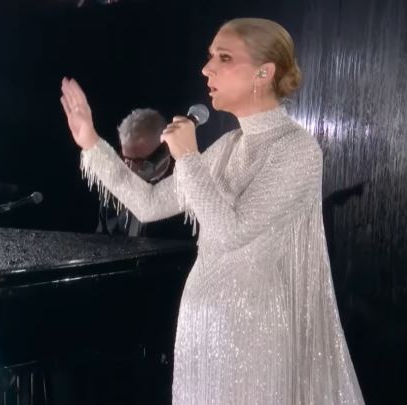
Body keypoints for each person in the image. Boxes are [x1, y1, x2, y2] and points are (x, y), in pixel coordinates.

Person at [60, 17, 364, 405]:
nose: (207, 69)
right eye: (209, 57)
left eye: (224, 57)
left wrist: (188, 156)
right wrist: (91, 143)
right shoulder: (227, 146)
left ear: (264, 72)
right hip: (201, 328)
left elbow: (233, 231)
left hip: (253, 334)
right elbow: (150, 204)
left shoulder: (296, 150)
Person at [96, 108, 192, 239]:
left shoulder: (186, 189)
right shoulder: (115, 182)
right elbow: (101, 239)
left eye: (137, 161)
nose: (128, 168)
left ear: (164, 152)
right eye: (125, 158)